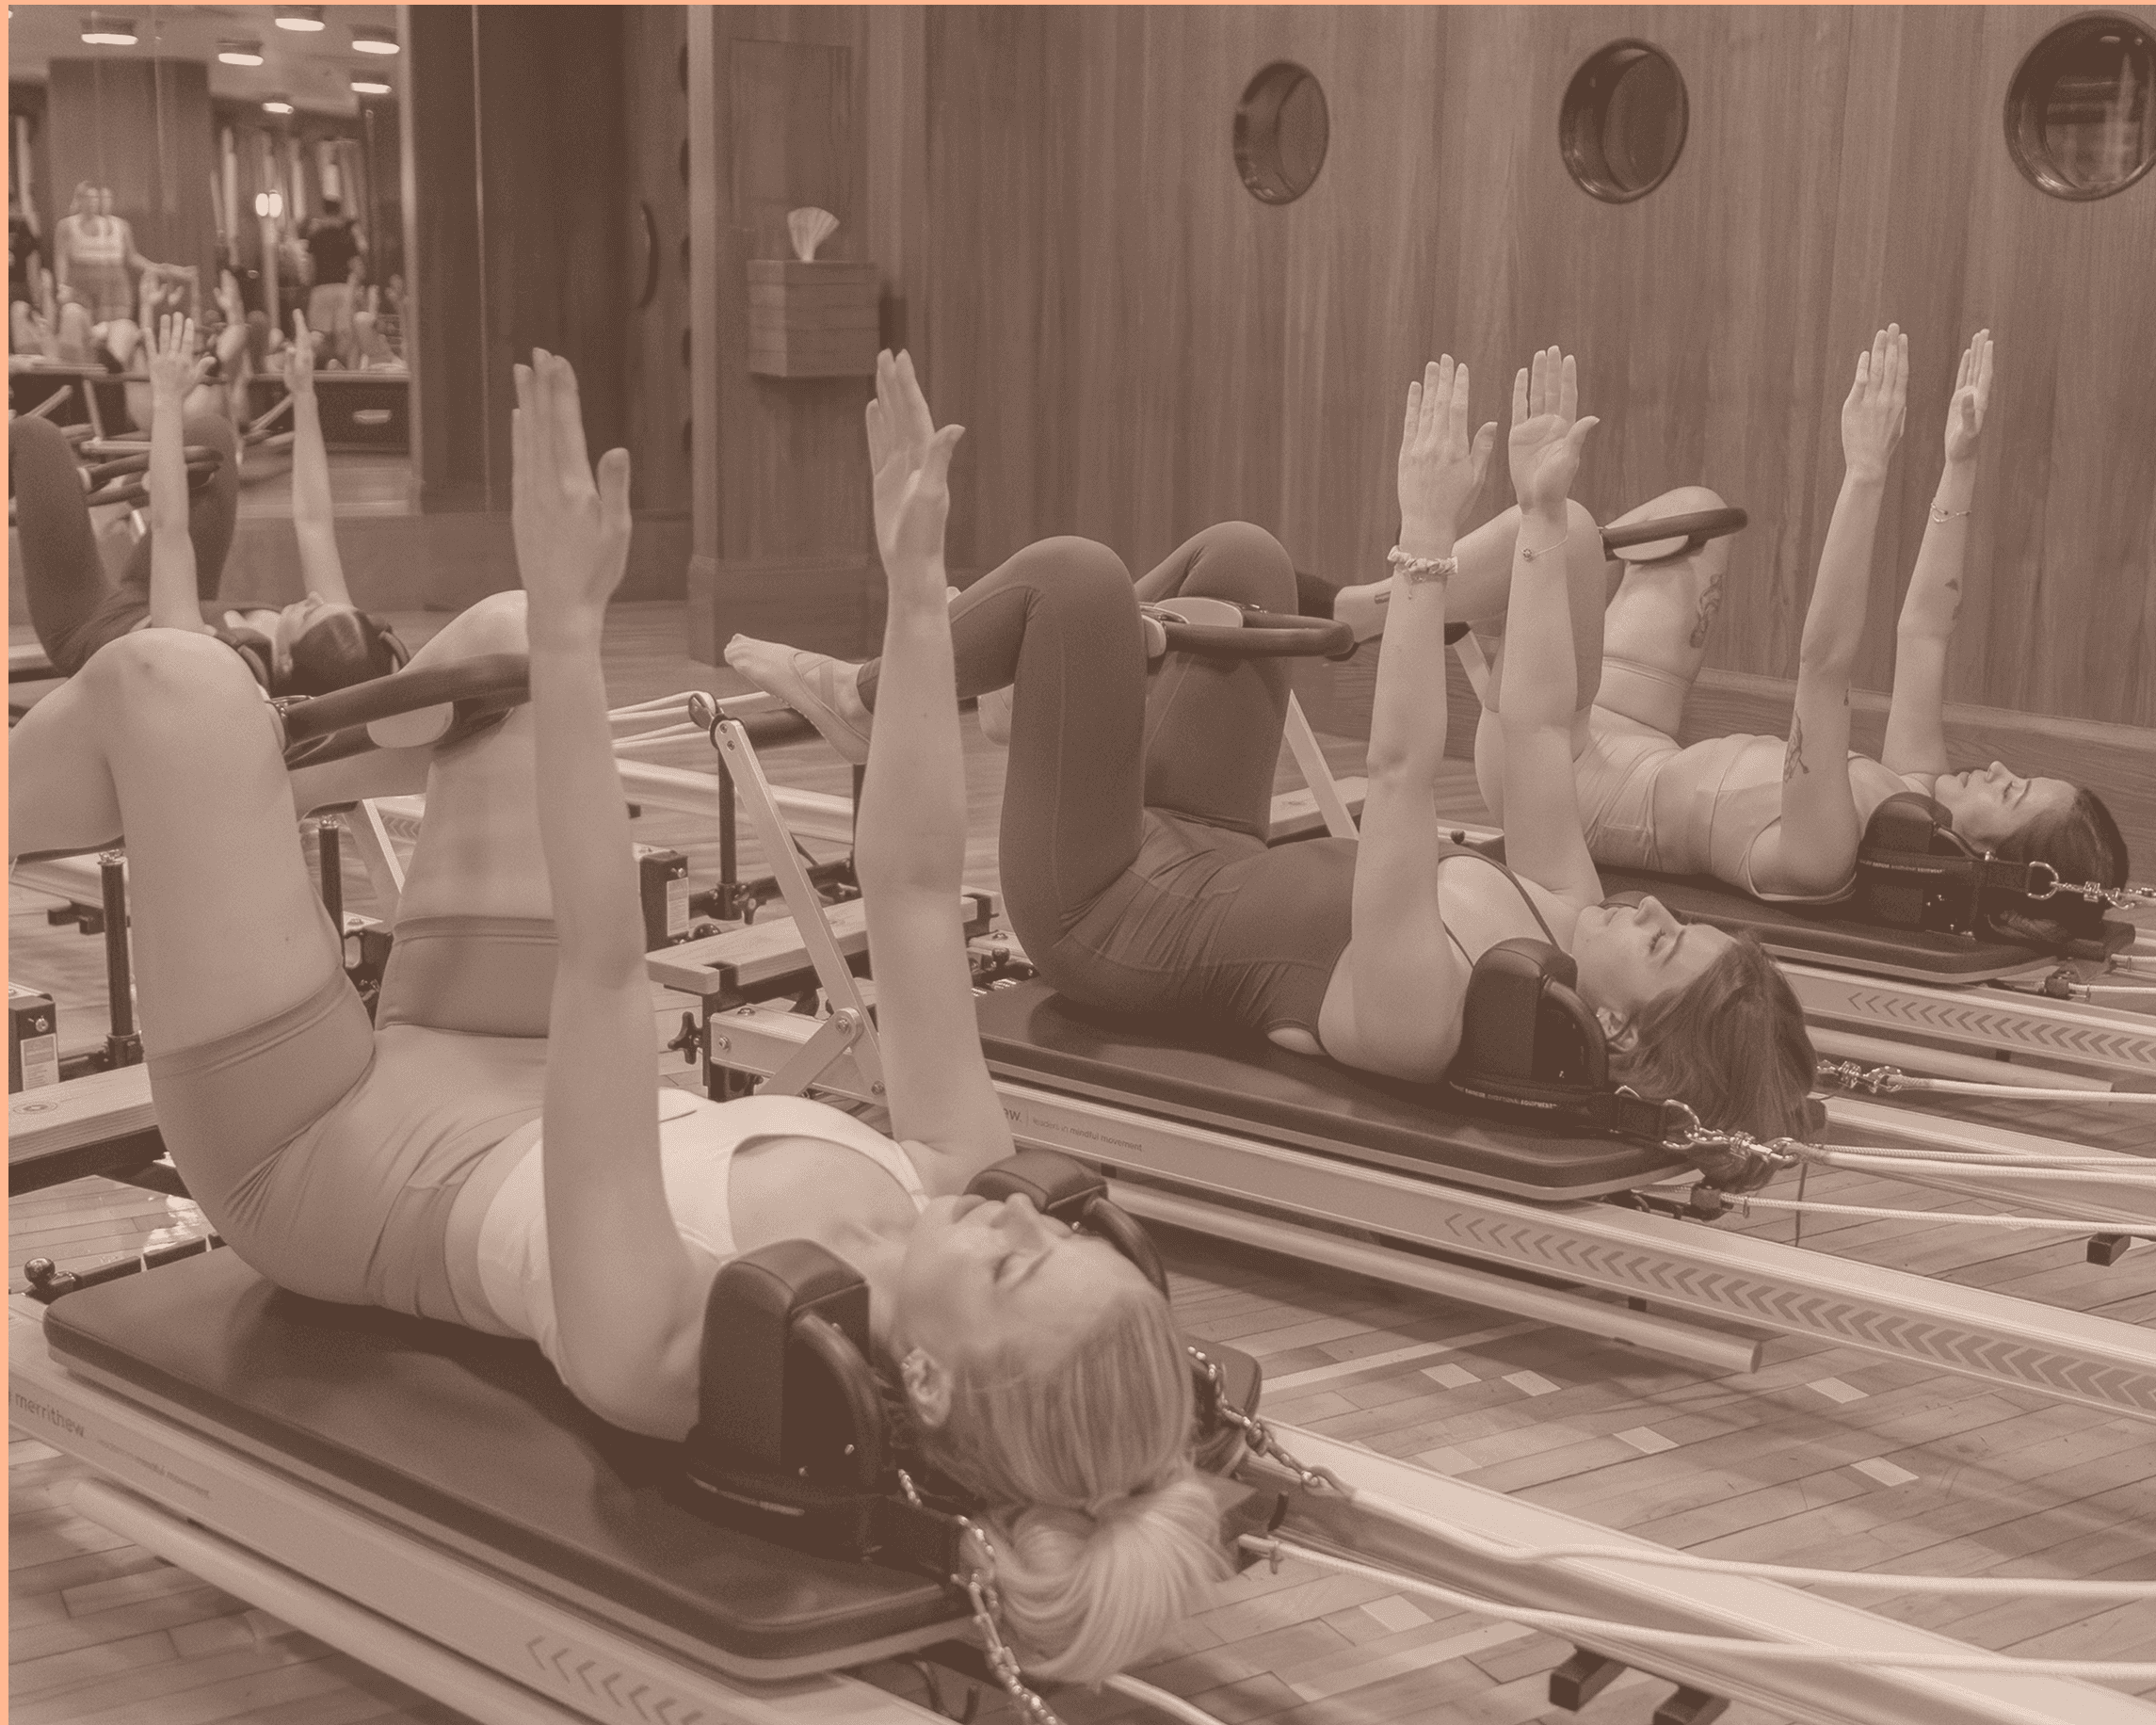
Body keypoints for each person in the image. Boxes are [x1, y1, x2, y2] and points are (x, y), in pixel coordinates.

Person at [6, 348, 1227, 1686]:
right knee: (506, 637)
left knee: (165, 689)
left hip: (320, 1153)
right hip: (498, 1050)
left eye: (1010, 1268)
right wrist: (921, 596)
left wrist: (593, 652)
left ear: (927, 1384)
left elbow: (604, 966)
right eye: (1053, 1231)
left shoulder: (677, 1344)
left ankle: (199, 768)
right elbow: (921, 891)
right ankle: (240, 780)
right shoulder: (939, 1174)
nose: (1011, 1212)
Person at [730, 349, 1819, 1142]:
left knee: (1077, 581)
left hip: (1104, 908)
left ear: (1623, 1032)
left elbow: (1396, 773)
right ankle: (1020, 672)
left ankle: (885, 695)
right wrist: (1539, 513)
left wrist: (1427, 540)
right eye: (1683, 922)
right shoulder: (1560, 900)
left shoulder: (1427, 1012)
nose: (1652, 910)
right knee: (1248, 563)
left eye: (1666, 946)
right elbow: (1535, 718)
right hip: (1207, 835)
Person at [1301, 330, 2128, 948]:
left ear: (1990, 853)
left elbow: (1822, 666)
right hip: (1637, 732)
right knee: (1696, 517)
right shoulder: (1914, 783)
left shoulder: (1831, 849)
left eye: (2013, 794)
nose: (2000, 771)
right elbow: (1924, 632)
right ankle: (1501, 601)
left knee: (1575, 530)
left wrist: (1867, 471)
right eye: (2023, 774)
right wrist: (1959, 461)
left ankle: (1366, 610)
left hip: (1562, 772)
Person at [11, 312, 406, 694]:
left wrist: (166, 399)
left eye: (310, 612)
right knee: (212, 439)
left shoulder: (203, 656)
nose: (316, 598)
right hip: (154, 596)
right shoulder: (333, 648)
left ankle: (101, 507)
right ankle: (109, 507)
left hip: (88, 624)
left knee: (36, 438)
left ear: (285, 662)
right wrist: (304, 396)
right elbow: (315, 521)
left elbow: (169, 527)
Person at [303, 197, 364, 367]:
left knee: (320, 336)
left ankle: (322, 371)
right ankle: (340, 371)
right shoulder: (346, 236)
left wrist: (309, 285)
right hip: (342, 290)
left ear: (323, 212)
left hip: (321, 289)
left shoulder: (315, 236)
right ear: (340, 212)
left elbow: (309, 269)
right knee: (343, 336)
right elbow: (357, 267)